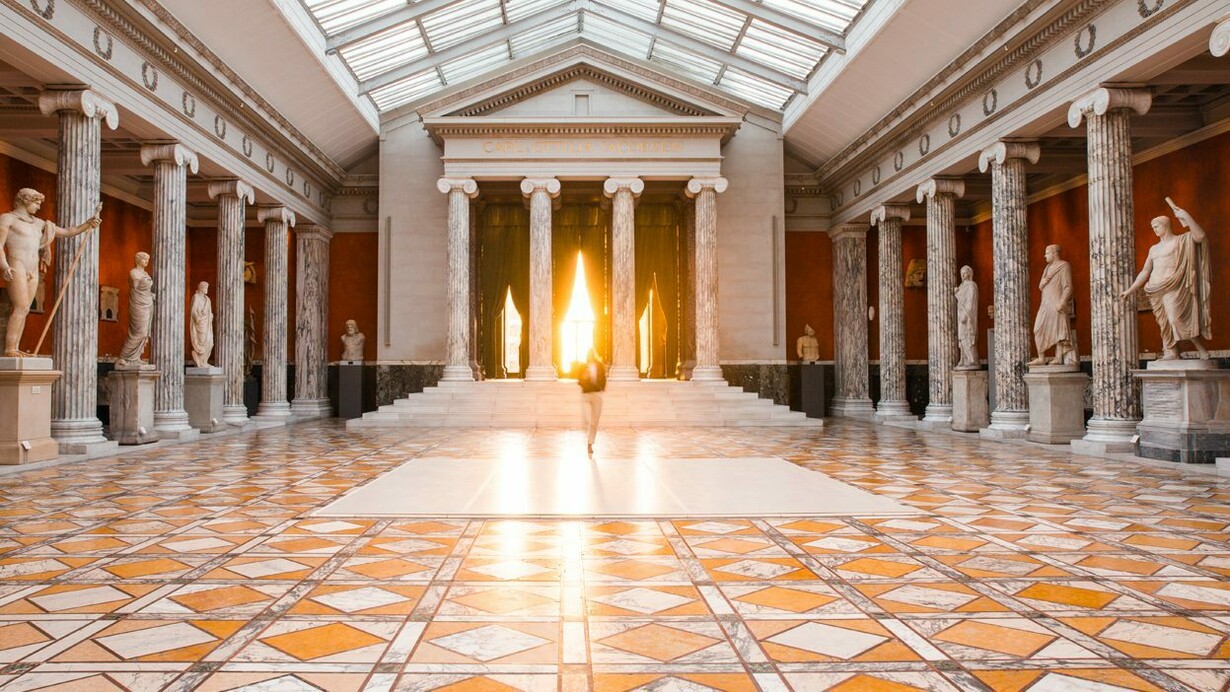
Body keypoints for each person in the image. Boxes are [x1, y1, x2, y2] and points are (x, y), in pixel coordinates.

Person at [0, 188, 100, 356]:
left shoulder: (39, 224)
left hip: (33, 268)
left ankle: (15, 347)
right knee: (20, 307)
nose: (39, 207)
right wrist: (4, 266)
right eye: (36, 202)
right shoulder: (7, 219)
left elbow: (67, 232)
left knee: (25, 309)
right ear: (25, 200)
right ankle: (9, 348)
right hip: (16, 265)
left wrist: (87, 224)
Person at [1121, 201, 1212, 360]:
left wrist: (1186, 217)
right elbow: (1145, 271)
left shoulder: (1180, 241)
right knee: (1164, 324)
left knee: (1176, 319)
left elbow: (1200, 236)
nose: (1154, 230)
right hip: (1155, 289)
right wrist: (1130, 290)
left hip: (1173, 286)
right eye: (1153, 227)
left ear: (1165, 225)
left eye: (1157, 226)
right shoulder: (1153, 249)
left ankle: (1201, 349)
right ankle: (1171, 351)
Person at [1031, 244, 1077, 365]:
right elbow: (1040, 286)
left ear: (1054, 253)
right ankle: (1041, 358)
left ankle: (1058, 358)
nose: (1044, 255)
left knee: (1059, 330)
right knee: (1038, 329)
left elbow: (1068, 287)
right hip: (1045, 303)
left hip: (1056, 302)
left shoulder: (1064, 266)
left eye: (1046, 253)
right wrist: (1043, 282)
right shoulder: (1047, 268)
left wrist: (1062, 302)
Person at [116, 251, 154, 366]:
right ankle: (123, 357)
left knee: (144, 332)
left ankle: (135, 358)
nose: (146, 261)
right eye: (144, 259)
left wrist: (150, 294)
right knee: (139, 332)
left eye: (147, 259)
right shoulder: (133, 272)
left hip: (147, 303)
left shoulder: (146, 274)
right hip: (138, 304)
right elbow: (138, 287)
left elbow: (145, 288)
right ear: (138, 260)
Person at [578, 348, 607, 457]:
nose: (590, 355)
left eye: (591, 354)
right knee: (587, 419)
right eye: (588, 354)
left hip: (596, 394)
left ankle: (590, 443)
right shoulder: (582, 366)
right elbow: (579, 381)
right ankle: (587, 434)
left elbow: (603, 377)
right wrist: (584, 378)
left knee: (595, 421)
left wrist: (602, 387)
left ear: (594, 355)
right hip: (586, 394)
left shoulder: (599, 365)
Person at [955, 265, 979, 369]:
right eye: (963, 273)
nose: (964, 275)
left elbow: (971, 301)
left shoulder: (971, 285)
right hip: (960, 314)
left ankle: (972, 359)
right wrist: (957, 292)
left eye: (966, 272)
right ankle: (963, 358)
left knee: (968, 336)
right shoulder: (962, 286)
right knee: (961, 337)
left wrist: (966, 314)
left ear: (970, 274)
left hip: (967, 315)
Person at [190, 281, 214, 368]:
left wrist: (210, 316)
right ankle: (199, 360)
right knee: (200, 342)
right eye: (206, 287)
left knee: (210, 342)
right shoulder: (196, 297)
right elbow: (193, 310)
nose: (207, 289)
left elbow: (209, 311)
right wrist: (197, 318)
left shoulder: (208, 300)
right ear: (201, 288)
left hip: (207, 324)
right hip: (200, 323)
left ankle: (204, 361)